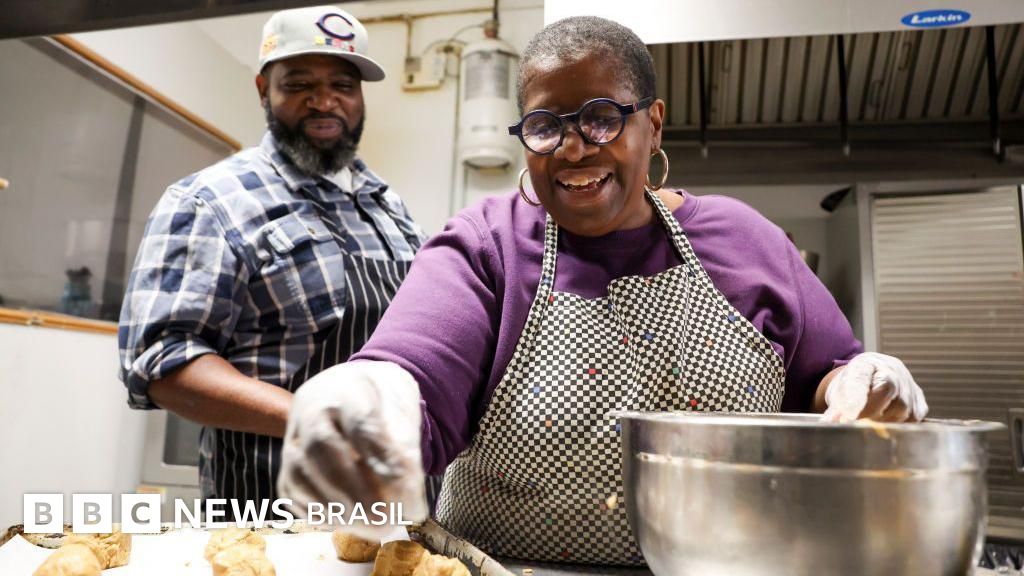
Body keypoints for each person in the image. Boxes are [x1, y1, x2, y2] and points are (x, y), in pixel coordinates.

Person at [278, 16, 928, 564]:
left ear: (654, 123)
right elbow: (415, 373)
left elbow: (830, 375)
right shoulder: (487, 246)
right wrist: (374, 403)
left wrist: (862, 381)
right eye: (545, 125)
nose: (572, 150)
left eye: (601, 118)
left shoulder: (747, 242)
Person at [118, 5, 425, 507]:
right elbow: (163, 363)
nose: (324, 101)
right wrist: (315, 419)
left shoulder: (387, 205)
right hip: (268, 502)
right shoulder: (210, 201)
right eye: (299, 84)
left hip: (397, 491)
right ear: (264, 89)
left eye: (343, 85)